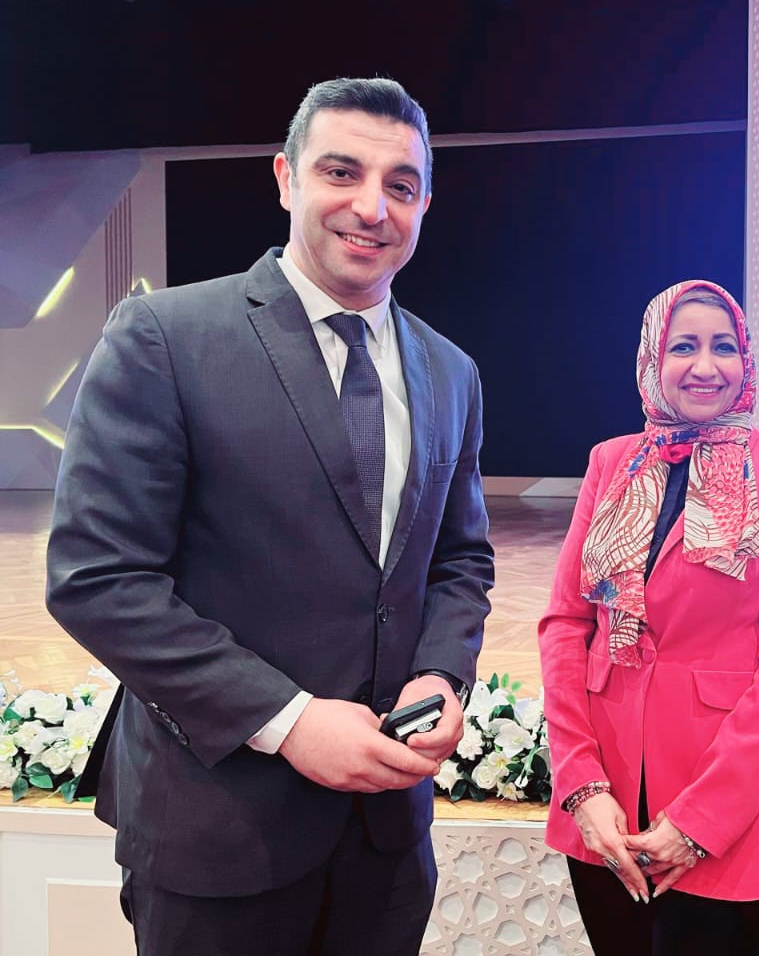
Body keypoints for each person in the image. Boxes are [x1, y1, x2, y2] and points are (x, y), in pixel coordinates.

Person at [45, 77, 494, 955]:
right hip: (216, 832)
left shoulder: (451, 371)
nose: (372, 207)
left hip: (386, 841)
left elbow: (459, 560)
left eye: (401, 185)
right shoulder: (164, 336)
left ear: (424, 205)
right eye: (341, 172)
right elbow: (98, 579)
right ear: (286, 178)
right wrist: (288, 719)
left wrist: (443, 675)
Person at [538, 279, 759, 955]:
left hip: (726, 804)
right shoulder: (611, 461)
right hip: (606, 803)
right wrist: (581, 786)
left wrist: (702, 820)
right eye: (683, 346)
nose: (705, 365)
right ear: (652, 358)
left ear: (746, 361)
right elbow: (565, 626)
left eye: (724, 347)